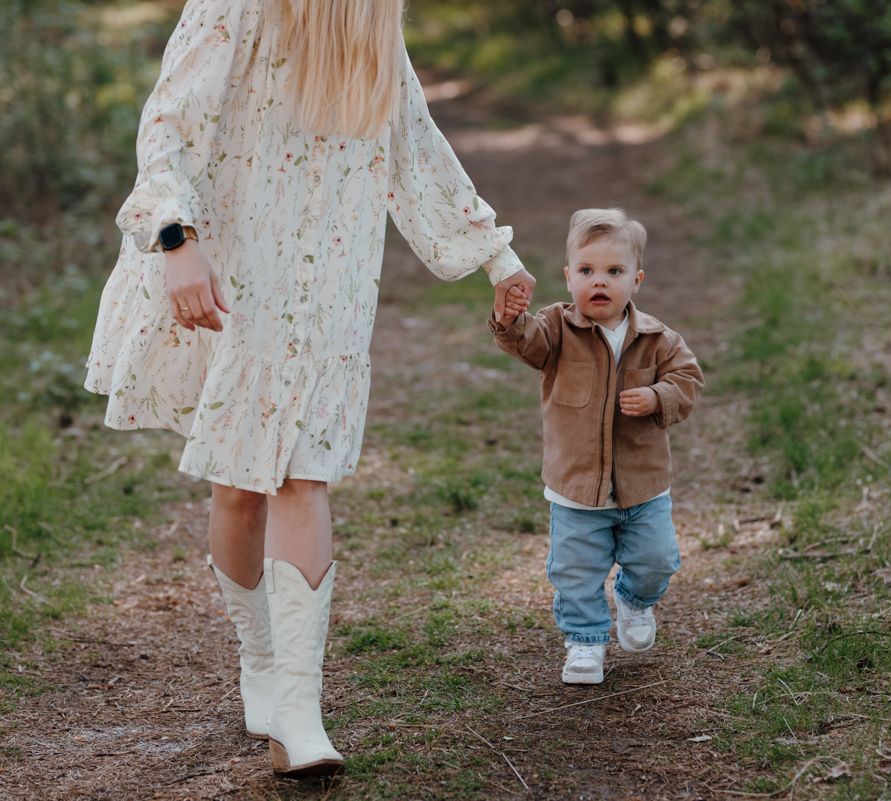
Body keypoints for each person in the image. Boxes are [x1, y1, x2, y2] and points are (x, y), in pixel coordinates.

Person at [84, 0, 535, 776]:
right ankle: (258, 660)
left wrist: (496, 256)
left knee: (303, 474)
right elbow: (168, 122)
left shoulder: (368, 24)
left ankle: (298, 708)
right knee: (239, 491)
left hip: (332, 290)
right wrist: (175, 240)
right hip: (235, 274)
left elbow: (414, 147)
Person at [490, 208, 703, 684]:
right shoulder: (555, 330)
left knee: (657, 559)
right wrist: (509, 318)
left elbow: (688, 380)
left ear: (637, 279)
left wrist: (657, 396)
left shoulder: (657, 339)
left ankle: (633, 599)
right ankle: (585, 642)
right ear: (568, 278)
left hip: (642, 488)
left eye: (614, 271)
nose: (599, 282)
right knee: (575, 572)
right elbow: (525, 343)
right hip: (576, 489)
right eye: (586, 271)